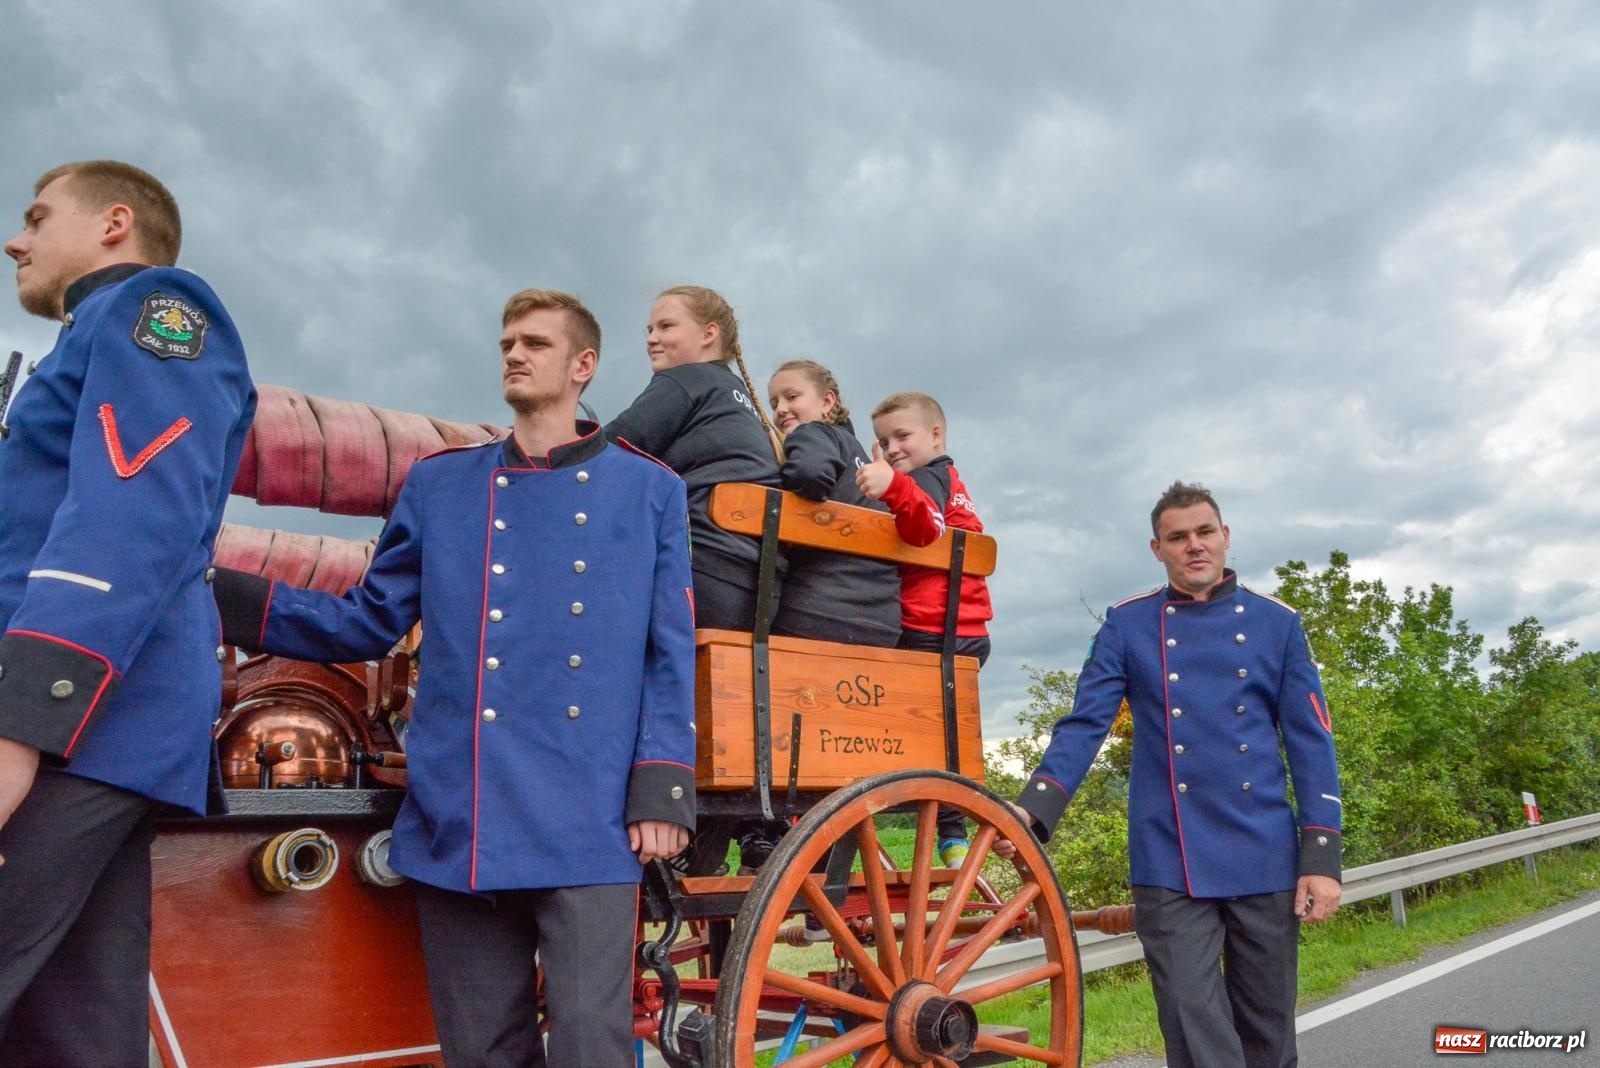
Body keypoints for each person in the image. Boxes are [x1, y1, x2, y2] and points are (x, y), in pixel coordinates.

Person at [212, 289, 696, 1067]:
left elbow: (668, 651)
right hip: (462, 809)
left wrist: (662, 787)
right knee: (480, 1050)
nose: (514, 354)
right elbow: (367, 620)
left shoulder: (649, 490)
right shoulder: (442, 485)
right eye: (507, 342)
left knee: (589, 1046)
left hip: (591, 809)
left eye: (535, 343)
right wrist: (217, 593)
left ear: (583, 365)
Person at [0, 160, 256, 1064]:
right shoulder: (85, 340)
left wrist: (25, 723)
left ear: (114, 223)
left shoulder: (156, 308)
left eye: (37, 217)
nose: (16, 241)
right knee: (70, 1035)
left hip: (82, 727)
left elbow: (133, 512)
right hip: (100, 733)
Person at [1009, 481, 1342, 1068]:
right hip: (1169, 855)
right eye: (1178, 537)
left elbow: (1310, 742)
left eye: (1205, 532)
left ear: (1225, 536)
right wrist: (1035, 807)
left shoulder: (1278, 624)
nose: (1194, 545)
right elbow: (1086, 722)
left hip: (1264, 850)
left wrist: (1321, 857)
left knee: (1268, 1034)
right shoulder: (1128, 623)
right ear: (1157, 548)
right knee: (1193, 1029)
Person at [855, 390, 993, 866]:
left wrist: (892, 485)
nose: (892, 448)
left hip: (933, 630)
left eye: (902, 436)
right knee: (939, 737)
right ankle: (950, 831)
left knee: (862, 701)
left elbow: (926, 527)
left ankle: (937, 826)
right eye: (883, 440)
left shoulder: (930, 478)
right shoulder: (949, 479)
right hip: (960, 630)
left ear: (936, 435)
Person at [604, 285, 780, 631]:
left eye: (666, 326)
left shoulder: (686, 380)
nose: (652, 339)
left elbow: (611, 446)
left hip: (697, 577)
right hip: (759, 593)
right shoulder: (738, 398)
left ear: (708, 334)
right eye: (649, 330)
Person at [766, 359, 899, 647]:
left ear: (827, 402)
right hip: (882, 623)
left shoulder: (813, 432)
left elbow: (810, 474)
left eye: (792, 396)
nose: (780, 409)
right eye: (774, 403)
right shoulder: (856, 452)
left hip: (818, 613)